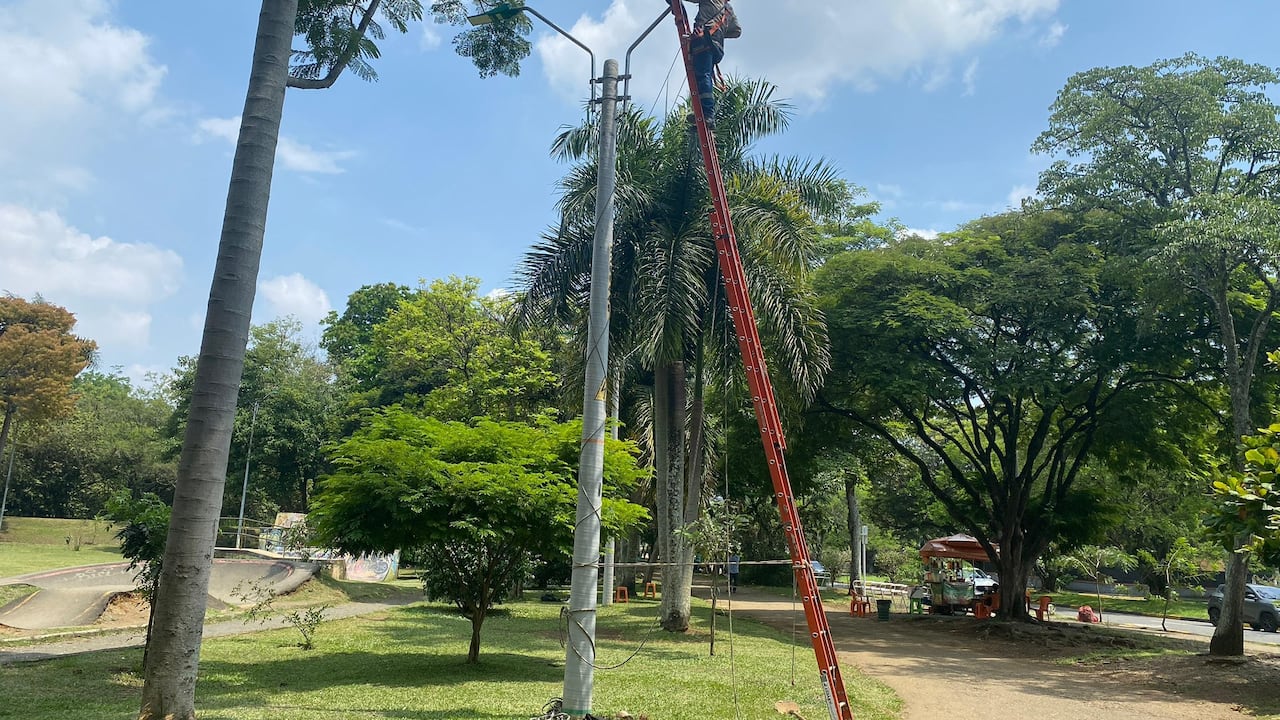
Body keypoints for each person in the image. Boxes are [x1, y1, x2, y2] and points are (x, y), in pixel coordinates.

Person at [683, 0, 739, 130]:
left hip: (705, 42)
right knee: (702, 76)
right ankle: (702, 114)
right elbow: (737, 31)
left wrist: (709, 30)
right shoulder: (728, 9)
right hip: (716, 47)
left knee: (703, 76)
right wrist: (719, 31)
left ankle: (708, 114)